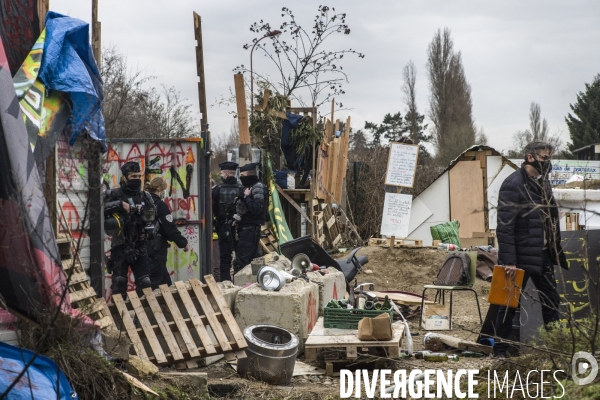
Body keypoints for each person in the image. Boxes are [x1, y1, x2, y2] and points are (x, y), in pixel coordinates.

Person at [494, 141, 568, 357]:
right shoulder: (513, 184)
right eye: (544, 158)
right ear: (530, 157)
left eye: (549, 159)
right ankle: (499, 351)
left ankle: (556, 350)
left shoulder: (542, 183)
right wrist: (509, 261)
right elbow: (505, 226)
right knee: (508, 305)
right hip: (519, 258)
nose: (548, 163)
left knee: (551, 302)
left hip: (542, 255)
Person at [104, 161, 157, 297]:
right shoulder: (114, 195)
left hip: (140, 246)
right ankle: (120, 317)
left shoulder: (146, 196)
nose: (137, 179)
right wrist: (120, 205)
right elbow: (99, 210)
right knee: (119, 283)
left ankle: (139, 318)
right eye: (133, 177)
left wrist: (150, 233)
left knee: (145, 283)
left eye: (139, 176)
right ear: (124, 178)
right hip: (120, 246)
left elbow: (153, 220)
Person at [145, 176, 189, 290]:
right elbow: (169, 228)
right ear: (160, 189)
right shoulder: (159, 205)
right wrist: (183, 243)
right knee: (156, 282)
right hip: (156, 249)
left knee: (164, 282)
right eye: (164, 190)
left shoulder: (143, 202)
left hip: (143, 248)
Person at [233, 163, 268, 274]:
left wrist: (246, 197)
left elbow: (257, 209)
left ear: (249, 175)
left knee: (243, 261)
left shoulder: (257, 187)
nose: (241, 177)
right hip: (245, 228)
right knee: (246, 259)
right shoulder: (248, 187)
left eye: (243, 175)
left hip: (250, 230)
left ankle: (241, 285)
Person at [212, 162, 244, 282]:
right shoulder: (241, 189)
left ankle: (226, 282)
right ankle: (240, 281)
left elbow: (212, 209)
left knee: (224, 257)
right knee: (241, 256)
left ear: (225, 174)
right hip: (239, 227)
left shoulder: (216, 190)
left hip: (222, 227)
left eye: (221, 173)